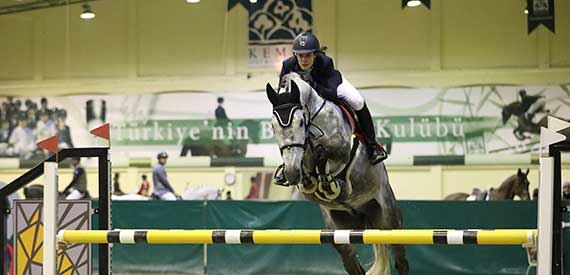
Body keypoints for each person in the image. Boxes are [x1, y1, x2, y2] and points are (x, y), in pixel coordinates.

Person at [278, 32, 387, 164]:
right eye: (300, 56)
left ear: (316, 54)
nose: (303, 60)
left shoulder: (325, 63)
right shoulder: (288, 65)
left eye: (308, 55)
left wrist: (313, 85)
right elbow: (282, 92)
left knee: (358, 101)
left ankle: (372, 145)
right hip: (307, 94)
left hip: (331, 85)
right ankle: (287, 164)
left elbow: (331, 95)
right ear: (295, 55)